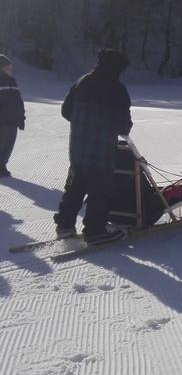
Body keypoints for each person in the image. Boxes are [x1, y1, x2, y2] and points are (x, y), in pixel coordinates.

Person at [54, 49, 132, 245]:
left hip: (78, 147)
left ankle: (64, 225)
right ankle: (95, 231)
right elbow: (124, 126)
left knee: (76, 185)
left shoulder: (81, 82)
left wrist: (82, 123)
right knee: (101, 190)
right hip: (102, 150)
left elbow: (66, 111)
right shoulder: (117, 89)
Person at [0, 55, 25, 177]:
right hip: (2, 121)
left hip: (12, 120)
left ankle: (2, 165)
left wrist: (21, 117)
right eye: (7, 68)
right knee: (2, 143)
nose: (10, 70)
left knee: (9, 144)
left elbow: (18, 101)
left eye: (11, 68)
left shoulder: (13, 81)